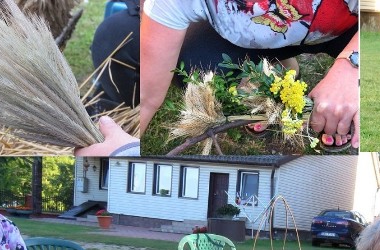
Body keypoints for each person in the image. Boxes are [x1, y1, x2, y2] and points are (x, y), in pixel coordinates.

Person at [140, 0, 359, 149]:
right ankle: (280, 71)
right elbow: (146, 98)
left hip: (350, 28)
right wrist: (125, 145)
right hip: (261, 34)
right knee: (197, 65)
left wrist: (352, 66)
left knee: (365, 90)